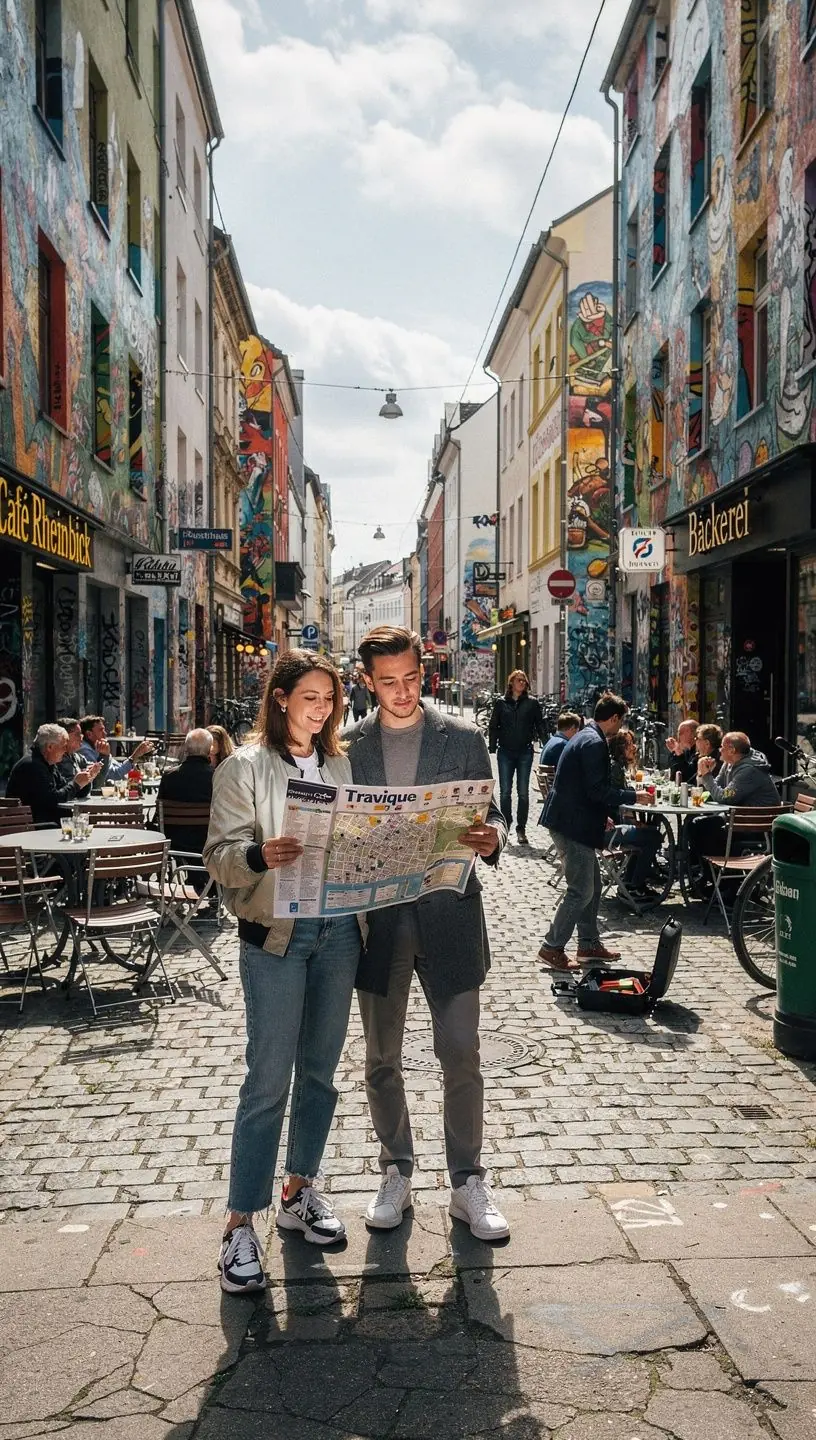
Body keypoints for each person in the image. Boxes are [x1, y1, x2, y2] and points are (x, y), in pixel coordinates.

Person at [203, 651, 363, 1294]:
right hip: (276, 936)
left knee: (320, 1074)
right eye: (309, 697)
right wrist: (256, 853)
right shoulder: (243, 767)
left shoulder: (341, 762)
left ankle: (299, 1191)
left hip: (340, 933)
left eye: (329, 698)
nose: (321, 708)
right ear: (280, 699)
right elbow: (217, 858)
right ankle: (241, 1223)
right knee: (268, 1080)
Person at [346, 625, 510, 1241]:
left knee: (461, 1052)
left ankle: (468, 1180)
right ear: (367, 682)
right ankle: (396, 1169)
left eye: (411, 678)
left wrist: (490, 836)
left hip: (450, 914)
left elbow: (487, 815)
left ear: (425, 672)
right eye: (388, 682)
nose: (402, 691)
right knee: (382, 1059)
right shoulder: (348, 746)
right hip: (380, 924)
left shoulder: (464, 738)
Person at [538, 692, 651, 971]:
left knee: (593, 886)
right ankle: (552, 947)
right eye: (620, 721)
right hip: (571, 824)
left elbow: (585, 789)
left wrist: (602, 817)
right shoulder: (593, 742)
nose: (620, 727)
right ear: (613, 718)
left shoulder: (587, 736)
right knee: (581, 890)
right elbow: (597, 790)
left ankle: (588, 944)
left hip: (576, 820)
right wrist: (634, 796)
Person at [688, 730, 781, 874]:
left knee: (702, 826)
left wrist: (706, 776)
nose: (719, 750)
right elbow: (715, 792)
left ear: (732, 750)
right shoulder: (729, 763)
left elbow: (724, 797)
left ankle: (723, 879)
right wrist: (705, 775)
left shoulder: (749, 770)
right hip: (739, 819)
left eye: (722, 747)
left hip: (755, 826)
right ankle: (705, 873)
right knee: (694, 822)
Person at [488, 670, 548, 843]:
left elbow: (540, 725)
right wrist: (492, 746)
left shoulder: (532, 703)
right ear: (511, 683)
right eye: (518, 680)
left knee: (523, 792)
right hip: (505, 751)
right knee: (505, 791)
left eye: (524, 681)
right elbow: (494, 725)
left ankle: (521, 828)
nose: (522, 683)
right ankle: (506, 824)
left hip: (524, 752)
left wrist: (547, 743)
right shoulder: (501, 703)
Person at [7, 724, 100, 827]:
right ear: (50, 747)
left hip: (46, 822)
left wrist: (86, 779)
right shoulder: (33, 765)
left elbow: (67, 791)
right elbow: (53, 799)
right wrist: (76, 784)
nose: (65, 750)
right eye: (63, 746)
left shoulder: (47, 763)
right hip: (33, 827)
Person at [606, 729, 663, 900]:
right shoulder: (614, 767)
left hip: (609, 825)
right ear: (620, 747)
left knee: (648, 832)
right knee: (653, 837)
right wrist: (631, 819)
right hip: (607, 830)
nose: (634, 748)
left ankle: (629, 882)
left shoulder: (614, 766)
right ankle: (635, 886)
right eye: (630, 744)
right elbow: (615, 800)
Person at [158, 729, 215, 869]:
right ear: (209, 750)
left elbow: (157, 815)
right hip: (206, 840)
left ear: (186, 749)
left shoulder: (169, 776)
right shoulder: (217, 777)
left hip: (174, 841)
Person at [79, 716, 154, 788]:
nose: (105, 733)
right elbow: (115, 775)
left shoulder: (98, 747)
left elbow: (118, 767)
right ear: (89, 734)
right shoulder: (85, 751)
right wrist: (135, 755)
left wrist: (135, 757)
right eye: (101, 730)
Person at [55, 718, 85, 784]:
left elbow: (97, 782)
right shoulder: (55, 759)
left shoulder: (77, 757)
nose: (81, 738)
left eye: (81, 734)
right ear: (64, 736)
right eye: (77, 734)